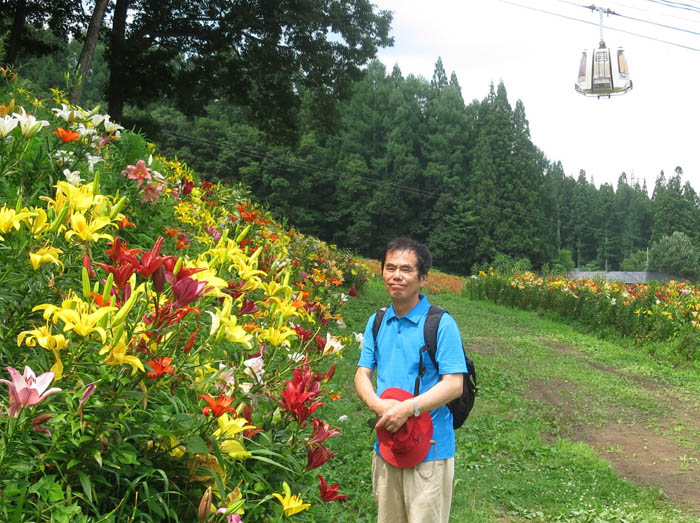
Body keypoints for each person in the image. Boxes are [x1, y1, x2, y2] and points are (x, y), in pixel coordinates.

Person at [354, 237, 467, 523]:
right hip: (387, 446)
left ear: (423, 278)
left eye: (406, 269)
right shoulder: (377, 321)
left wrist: (408, 408)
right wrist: (378, 406)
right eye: (390, 268)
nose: (396, 276)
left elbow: (455, 384)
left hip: (430, 450)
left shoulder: (441, 324)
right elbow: (362, 373)